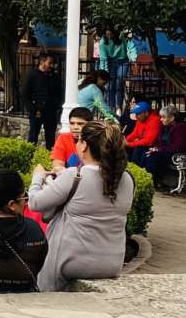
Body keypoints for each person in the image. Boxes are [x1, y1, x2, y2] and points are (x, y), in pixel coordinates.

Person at [28, 118, 133, 291]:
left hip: (71, 261)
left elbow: (34, 203)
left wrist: (38, 178)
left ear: (84, 146)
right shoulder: (127, 179)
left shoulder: (75, 176)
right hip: (111, 262)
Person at [23, 53, 61, 149]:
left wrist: (58, 107)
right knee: (33, 136)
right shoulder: (32, 74)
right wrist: (33, 109)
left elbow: (59, 92)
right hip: (37, 110)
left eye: (53, 63)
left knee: (50, 137)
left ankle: (50, 157)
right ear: (42, 62)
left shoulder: (54, 76)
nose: (51, 65)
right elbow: (25, 94)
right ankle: (29, 156)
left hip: (51, 110)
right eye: (49, 63)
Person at [145, 106, 186, 189]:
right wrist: (154, 149)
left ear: (172, 118)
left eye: (163, 117)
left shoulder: (180, 128)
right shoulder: (164, 127)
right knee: (146, 152)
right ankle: (148, 180)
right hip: (164, 152)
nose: (161, 119)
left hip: (176, 155)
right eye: (161, 117)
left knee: (154, 156)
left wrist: (158, 150)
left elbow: (177, 147)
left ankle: (151, 182)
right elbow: (158, 142)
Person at [51, 106, 93, 171]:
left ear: (90, 125)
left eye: (80, 124)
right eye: (72, 123)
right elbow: (57, 165)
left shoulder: (96, 139)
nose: (75, 127)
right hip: (68, 178)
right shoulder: (63, 138)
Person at [99, 29, 129, 111]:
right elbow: (103, 59)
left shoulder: (121, 37)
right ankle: (111, 108)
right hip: (110, 62)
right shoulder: (103, 42)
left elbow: (130, 45)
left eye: (110, 34)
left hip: (122, 61)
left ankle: (118, 107)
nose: (109, 36)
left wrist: (134, 56)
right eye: (107, 34)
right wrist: (104, 73)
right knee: (110, 86)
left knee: (119, 84)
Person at [124, 101, 162, 166]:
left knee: (139, 150)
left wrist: (129, 144)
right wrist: (125, 141)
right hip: (143, 145)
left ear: (146, 113)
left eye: (138, 114)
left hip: (153, 148)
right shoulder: (140, 119)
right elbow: (135, 134)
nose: (136, 116)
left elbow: (149, 141)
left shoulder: (155, 120)